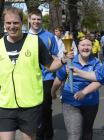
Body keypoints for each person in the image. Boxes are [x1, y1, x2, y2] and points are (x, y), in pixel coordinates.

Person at [0, 7, 73, 140]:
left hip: (30, 105)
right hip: (5, 105)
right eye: (8, 23)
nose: (12, 26)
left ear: (22, 23)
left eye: (15, 22)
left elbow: (50, 65)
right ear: (4, 24)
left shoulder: (34, 41)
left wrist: (63, 59)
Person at [51, 36, 101, 140]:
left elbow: (99, 80)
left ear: (92, 47)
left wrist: (84, 92)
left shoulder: (96, 63)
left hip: (91, 103)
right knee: (74, 135)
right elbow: (59, 79)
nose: (86, 47)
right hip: (71, 102)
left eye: (88, 45)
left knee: (87, 133)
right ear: (78, 47)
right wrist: (53, 92)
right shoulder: (70, 61)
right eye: (83, 45)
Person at [28, 9, 59, 140]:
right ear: (29, 20)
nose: (36, 22)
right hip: (29, 78)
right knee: (33, 109)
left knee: (45, 107)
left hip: (46, 77)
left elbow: (55, 56)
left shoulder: (49, 36)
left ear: (41, 20)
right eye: (33, 19)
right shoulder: (24, 37)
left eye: (38, 19)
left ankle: (46, 135)